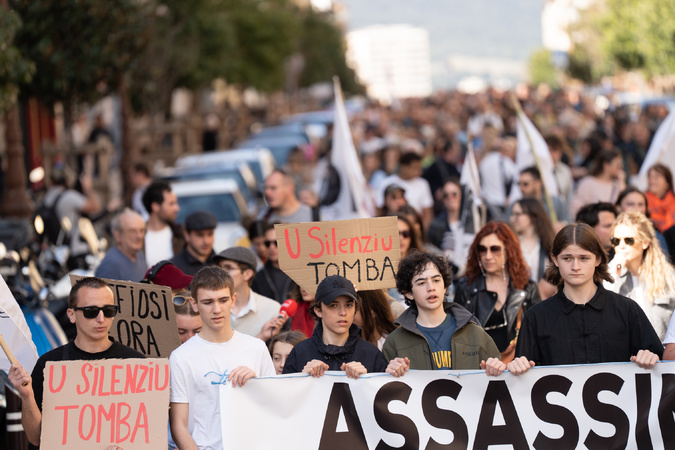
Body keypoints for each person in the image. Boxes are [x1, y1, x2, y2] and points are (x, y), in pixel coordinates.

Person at [486, 223, 663, 376]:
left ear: (598, 259)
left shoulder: (627, 310)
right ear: (555, 259)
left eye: (584, 258)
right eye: (567, 258)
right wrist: (517, 366)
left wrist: (652, 358)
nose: (575, 266)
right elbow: (523, 379)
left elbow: (661, 367)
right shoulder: (536, 317)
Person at [8, 277, 145, 447]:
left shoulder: (137, 364)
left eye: (109, 310)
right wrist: (27, 395)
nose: (101, 318)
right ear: (71, 315)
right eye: (91, 311)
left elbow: (145, 434)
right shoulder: (49, 365)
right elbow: (35, 437)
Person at [169, 266, 275, 449]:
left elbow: (274, 409)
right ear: (194, 304)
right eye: (208, 302)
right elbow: (179, 425)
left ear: (233, 299)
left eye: (223, 300)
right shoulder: (180, 357)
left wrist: (256, 384)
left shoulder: (257, 348)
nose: (216, 309)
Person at [382, 251, 500, 374]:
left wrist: (497, 368)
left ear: (445, 286)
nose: (431, 287)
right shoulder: (395, 341)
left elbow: (499, 381)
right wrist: (390, 373)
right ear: (408, 293)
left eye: (436, 280)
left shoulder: (475, 333)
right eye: (421, 283)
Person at [454, 222, 541, 362]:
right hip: (479, 367)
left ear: (509, 250)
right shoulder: (466, 287)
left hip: (517, 367)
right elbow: (457, 336)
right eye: (482, 249)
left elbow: (538, 335)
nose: (488, 256)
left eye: (495, 249)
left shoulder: (527, 288)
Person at [282, 275, 389, 378]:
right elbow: (284, 394)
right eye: (333, 305)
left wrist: (367, 380)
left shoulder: (371, 354)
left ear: (355, 309)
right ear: (318, 311)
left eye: (349, 305)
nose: (343, 312)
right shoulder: (300, 352)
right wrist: (300, 379)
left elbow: (386, 395)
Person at [604, 211, 675, 340]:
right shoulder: (609, 275)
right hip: (624, 356)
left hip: (660, 356)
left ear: (644, 243)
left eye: (628, 240)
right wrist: (611, 275)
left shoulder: (668, 277)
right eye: (616, 240)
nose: (621, 246)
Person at [213, 246, 286, 340]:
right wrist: (261, 336)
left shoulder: (272, 310)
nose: (220, 274)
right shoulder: (210, 308)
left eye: (228, 268)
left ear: (247, 274)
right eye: (219, 268)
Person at [41, 166, 102, 267]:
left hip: (57, 252)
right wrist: (88, 188)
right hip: (76, 250)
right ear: (67, 179)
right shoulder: (69, 196)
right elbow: (95, 207)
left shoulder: (46, 197)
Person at [509, 198, 557, 298]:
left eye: (517, 214)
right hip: (515, 301)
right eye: (512, 214)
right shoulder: (510, 244)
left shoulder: (548, 244)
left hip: (543, 302)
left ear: (532, 216)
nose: (512, 219)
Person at [377, 152, 434, 230]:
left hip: (415, 227)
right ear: (404, 167)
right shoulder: (387, 182)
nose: (419, 171)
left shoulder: (423, 183)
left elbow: (428, 213)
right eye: (415, 168)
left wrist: (421, 232)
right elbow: (379, 209)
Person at [251, 222, 298, 303]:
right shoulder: (258, 278)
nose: (272, 247)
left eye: (277, 242)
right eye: (267, 243)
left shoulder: (301, 273)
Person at [95, 208, 147, 281]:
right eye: (132, 231)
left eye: (142, 231)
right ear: (118, 235)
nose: (139, 236)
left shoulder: (139, 255)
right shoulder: (110, 265)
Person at [570, 149, 625, 217]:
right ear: (606, 165)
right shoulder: (588, 182)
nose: (620, 167)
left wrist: (621, 181)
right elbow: (576, 207)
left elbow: (623, 202)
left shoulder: (617, 185)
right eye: (617, 165)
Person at [143, 181, 181, 268]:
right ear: (155, 206)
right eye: (171, 204)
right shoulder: (137, 236)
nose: (177, 208)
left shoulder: (181, 234)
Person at [170, 210, 217, 275]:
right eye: (200, 235)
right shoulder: (174, 268)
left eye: (210, 234)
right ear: (187, 235)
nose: (206, 241)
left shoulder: (222, 264)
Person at [645, 163, 675, 233]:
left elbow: (668, 225)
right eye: (650, 177)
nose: (652, 181)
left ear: (667, 184)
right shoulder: (641, 200)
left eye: (656, 177)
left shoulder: (672, 202)